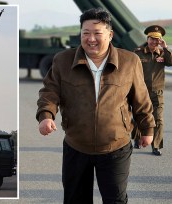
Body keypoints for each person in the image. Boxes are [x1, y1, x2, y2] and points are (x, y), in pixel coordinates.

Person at [36, 8, 155, 204]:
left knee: (115, 200)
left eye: (97, 33)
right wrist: (46, 115)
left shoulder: (129, 61)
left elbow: (140, 98)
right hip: (76, 145)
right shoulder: (62, 60)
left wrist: (147, 128)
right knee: (75, 199)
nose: (91, 39)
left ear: (110, 35)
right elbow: (49, 92)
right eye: (86, 33)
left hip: (116, 146)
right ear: (80, 34)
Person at [132, 25, 172, 156]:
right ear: (147, 38)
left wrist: (165, 47)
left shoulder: (163, 54)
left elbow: (171, 62)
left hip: (157, 92)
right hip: (141, 91)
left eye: (157, 39)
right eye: (152, 39)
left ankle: (156, 146)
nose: (154, 42)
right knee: (139, 115)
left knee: (158, 119)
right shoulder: (138, 53)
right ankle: (137, 138)